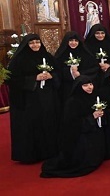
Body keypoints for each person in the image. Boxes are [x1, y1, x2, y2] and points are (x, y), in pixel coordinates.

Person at [7, 34, 59, 163]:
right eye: (32, 43)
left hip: (47, 97)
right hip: (28, 99)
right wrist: (34, 79)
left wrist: (51, 76)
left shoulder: (47, 57)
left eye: (37, 42)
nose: (35, 45)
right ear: (26, 45)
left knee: (47, 122)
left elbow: (59, 72)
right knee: (32, 125)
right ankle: (31, 154)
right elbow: (12, 80)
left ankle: (49, 151)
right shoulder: (18, 60)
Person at [40, 76, 105, 178]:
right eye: (85, 85)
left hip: (91, 131)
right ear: (79, 87)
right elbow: (72, 124)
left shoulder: (93, 97)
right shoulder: (72, 102)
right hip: (77, 136)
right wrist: (92, 117)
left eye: (90, 84)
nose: (89, 87)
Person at [54, 31, 99, 102]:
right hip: (68, 87)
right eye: (71, 40)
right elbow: (57, 71)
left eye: (76, 40)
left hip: (84, 86)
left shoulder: (86, 54)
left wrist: (80, 74)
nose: (73, 42)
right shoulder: (61, 55)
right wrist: (71, 72)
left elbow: (94, 68)